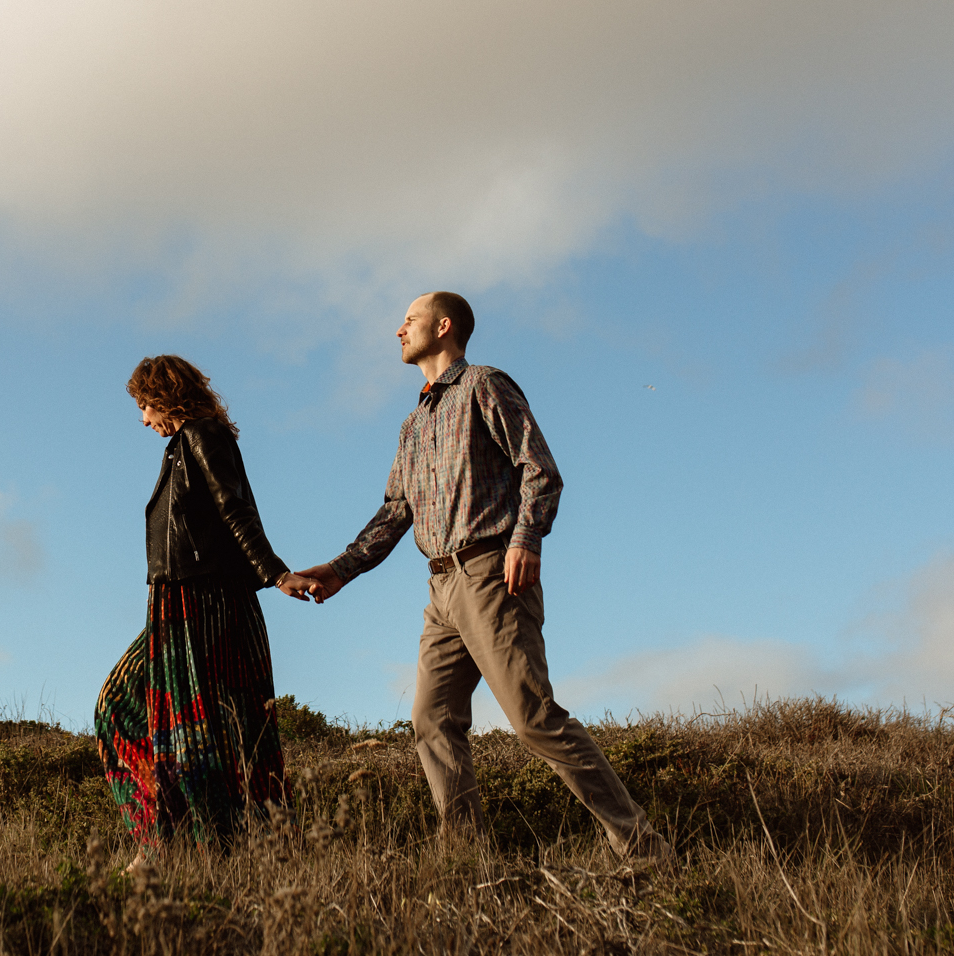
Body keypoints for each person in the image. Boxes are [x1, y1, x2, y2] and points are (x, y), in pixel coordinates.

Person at [282, 293, 672, 862]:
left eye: (408, 321)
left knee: (534, 720)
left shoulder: (485, 385)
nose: (398, 330)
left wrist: (525, 538)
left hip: (491, 572)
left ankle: (642, 847)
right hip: (439, 587)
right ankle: (469, 856)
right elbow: (395, 512)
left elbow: (540, 469)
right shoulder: (412, 424)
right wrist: (340, 570)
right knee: (431, 721)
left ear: (442, 327)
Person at [96, 354, 305, 844]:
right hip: (174, 602)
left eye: (146, 406)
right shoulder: (182, 445)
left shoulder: (203, 435)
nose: (144, 419)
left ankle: (199, 846)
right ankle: (170, 836)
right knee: (124, 706)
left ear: (168, 396)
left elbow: (234, 509)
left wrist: (276, 574)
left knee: (204, 730)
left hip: (202, 601)